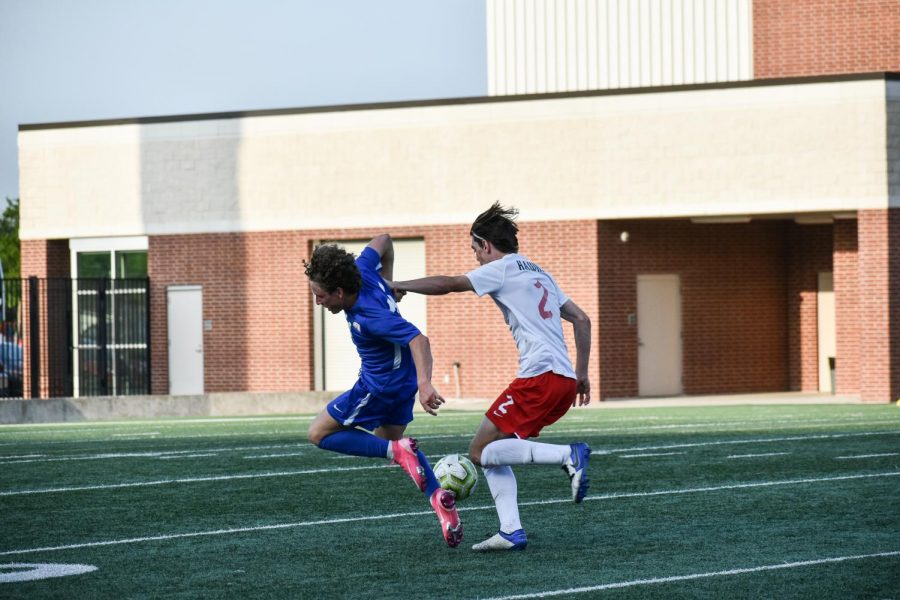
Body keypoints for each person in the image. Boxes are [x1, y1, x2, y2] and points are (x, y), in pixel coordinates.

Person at [392, 203, 592, 552]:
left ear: (486, 245)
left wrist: (398, 284)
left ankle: (568, 455)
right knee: (489, 450)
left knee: (480, 450)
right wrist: (582, 373)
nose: (477, 259)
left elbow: (450, 283)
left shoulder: (501, 268)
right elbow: (582, 319)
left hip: (539, 376)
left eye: (475, 250)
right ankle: (511, 531)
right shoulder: (540, 272)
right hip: (562, 382)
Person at [304, 234, 462, 548]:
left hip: (378, 386)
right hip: (400, 383)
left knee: (319, 433)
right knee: (386, 441)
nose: (317, 303)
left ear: (339, 291)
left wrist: (426, 384)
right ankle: (440, 500)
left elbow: (419, 339)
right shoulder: (362, 268)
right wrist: (388, 281)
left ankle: (398, 451)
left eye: (320, 296)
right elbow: (385, 240)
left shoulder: (367, 317)